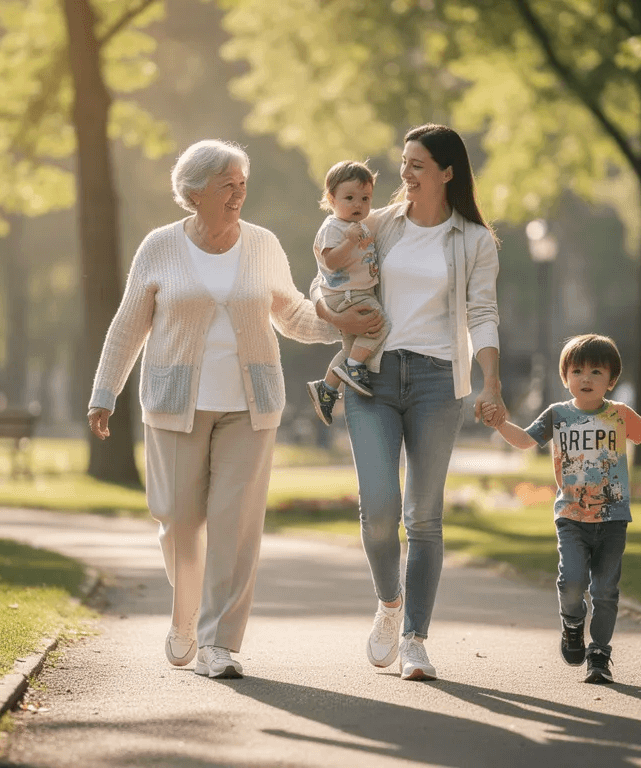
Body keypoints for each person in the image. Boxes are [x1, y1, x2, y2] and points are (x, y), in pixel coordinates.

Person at [87, 139, 345, 680]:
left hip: (251, 406)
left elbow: (293, 313)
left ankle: (218, 643)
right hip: (176, 403)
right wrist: (104, 392)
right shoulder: (159, 247)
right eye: (227, 185)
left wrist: (343, 325)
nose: (238, 194)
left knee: (235, 525)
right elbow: (129, 323)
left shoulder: (262, 244)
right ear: (195, 192)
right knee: (179, 519)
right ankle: (185, 618)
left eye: (242, 184)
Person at [313, 124, 507, 681]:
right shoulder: (380, 223)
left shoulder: (474, 240)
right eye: (404, 162)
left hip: (436, 382)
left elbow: (484, 313)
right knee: (378, 509)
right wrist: (333, 317)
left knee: (423, 517)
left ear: (447, 172)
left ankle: (416, 639)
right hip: (373, 376)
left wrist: (490, 382)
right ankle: (389, 606)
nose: (405, 173)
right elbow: (325, 274)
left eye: (417, 163)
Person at [482, 334, 641, 684]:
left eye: (596, 371)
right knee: (572, 582)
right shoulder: (557, 415)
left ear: (611, 380)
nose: (586, 378)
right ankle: (573, 623)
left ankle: (600, 654)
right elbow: (524, 441)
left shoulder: (620, 415)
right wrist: (500, 424)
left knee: (606, 589)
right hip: (572, 518)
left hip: (613, 518)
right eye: (577, 371)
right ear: (566, 378)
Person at [305, 160, 389, 426]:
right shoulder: (334, 227)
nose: (358, 205)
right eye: (349, 198)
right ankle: (353, 369)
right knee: (379, 325)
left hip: (352, 293)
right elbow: (331, 262)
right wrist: (350, 241)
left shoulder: (359, 225)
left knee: (352, 348)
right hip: (348, 295)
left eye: (365, 199)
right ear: (331, 199)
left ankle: (327, 389)